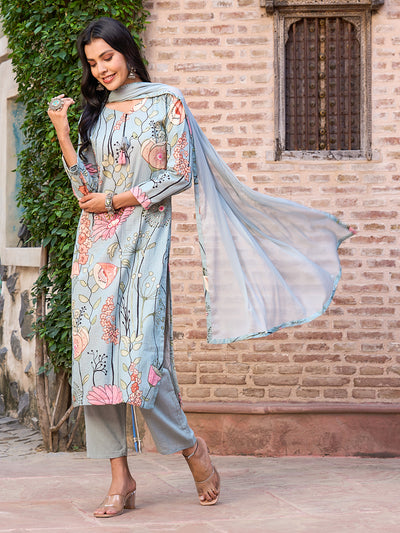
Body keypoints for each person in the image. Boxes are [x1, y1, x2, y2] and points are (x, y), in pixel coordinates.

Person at [48, 16, 353, 519]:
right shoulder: (94, 114)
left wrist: (118, 199)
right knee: (97, 364)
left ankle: (192, 448)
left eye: (107, 56)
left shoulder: (166, 101)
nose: (101, 69)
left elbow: (180, 173)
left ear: (126, 52)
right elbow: (86, 191)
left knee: (143, 361)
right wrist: (64, 132)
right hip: (95, 250)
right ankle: (120, 479)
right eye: (92, 62)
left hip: (144, 247)